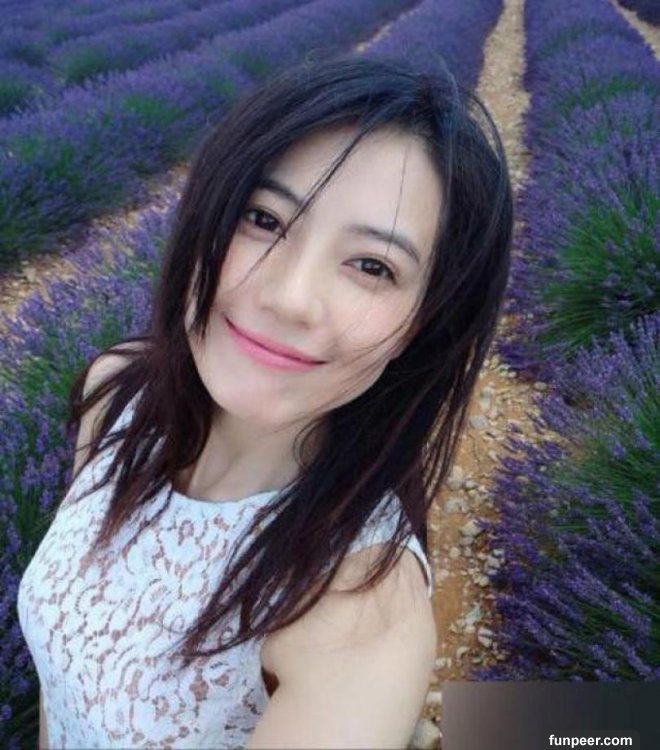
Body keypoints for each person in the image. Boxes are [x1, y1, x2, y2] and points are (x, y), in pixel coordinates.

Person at [17, 53, 512, 749]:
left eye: (372, 266)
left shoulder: (355, 613)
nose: (289, 297)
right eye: (263, 218)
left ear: (423, 324)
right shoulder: (116, 394)